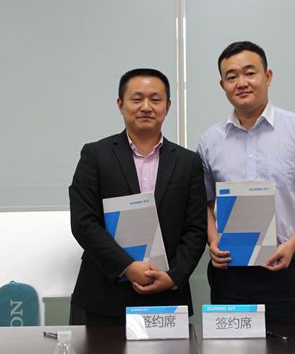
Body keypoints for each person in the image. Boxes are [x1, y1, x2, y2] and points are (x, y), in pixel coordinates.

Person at [197, 41, 295, 323]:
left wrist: (293, 243)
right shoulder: (210, 140)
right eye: (231, 77)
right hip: (230, 273)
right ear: (222, 85)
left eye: (250, 73)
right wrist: (213, 240)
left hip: (288, 268)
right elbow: (204, 203)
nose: (241, 83)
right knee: (231, 352)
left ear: (268, 76)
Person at [68, 68, 207, 326]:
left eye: (155, 99)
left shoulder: (188, 162)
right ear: (120, 105)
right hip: (104, 295)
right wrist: (127, 266)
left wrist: (174, 276)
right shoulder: (95, 156)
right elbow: (84, 222)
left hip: (167, 295)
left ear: (168, 106)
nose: (146, 107)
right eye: (136, 99)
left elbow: (196, 229)